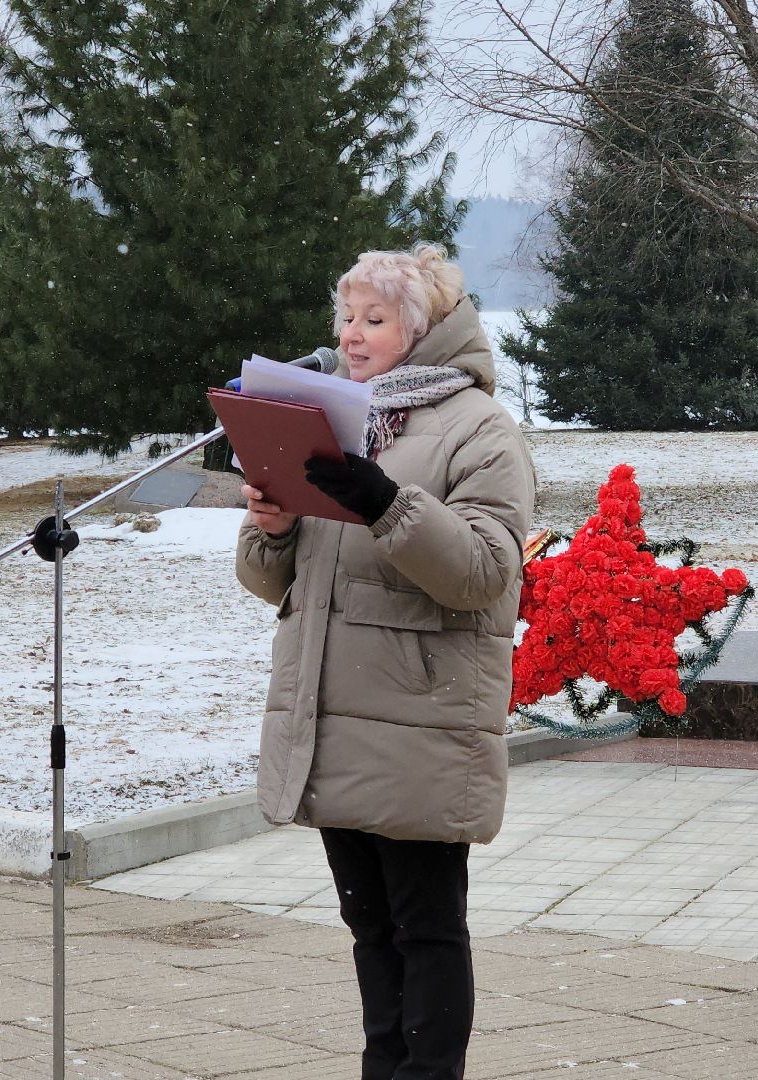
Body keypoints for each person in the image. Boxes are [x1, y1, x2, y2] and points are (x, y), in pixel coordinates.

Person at [234, 242, 535, 1080]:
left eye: (376, 319)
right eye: (347, 319)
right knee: (368, 929)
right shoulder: (331, 419)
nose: (354, 336)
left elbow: (483, 574)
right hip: (333, 719)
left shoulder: (479, 428)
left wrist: (385, 502)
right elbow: (276, 585)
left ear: (426, 326)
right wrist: (273, 527)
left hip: (421, 723)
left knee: (427, 929)